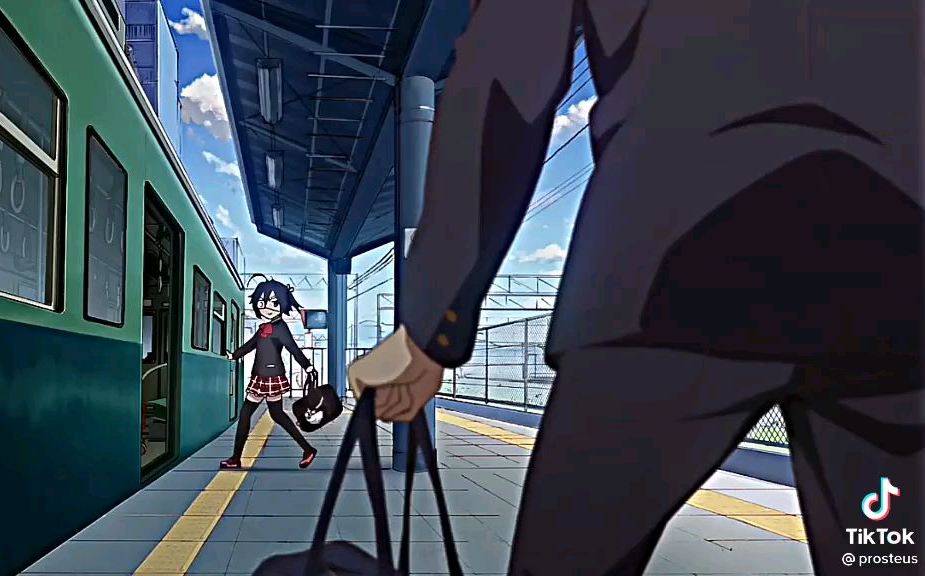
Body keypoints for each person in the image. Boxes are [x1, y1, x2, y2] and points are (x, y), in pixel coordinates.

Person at [347, 1, 924, 575]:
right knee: (887, 550)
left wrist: (430, 329)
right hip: (896, 282)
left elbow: (505, 81)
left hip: (669, 274)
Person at [221, 278, 318, 470]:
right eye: (262, 302)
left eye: (274, 303)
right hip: (261, 376)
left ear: (282, 304)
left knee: (252, 414)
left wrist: (307, 367)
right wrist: (234, 355)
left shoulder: (281, 328)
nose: (266, 307)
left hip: (272, 377)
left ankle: (236, 458)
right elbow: (250, 345)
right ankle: (307, 449)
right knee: (274, 414)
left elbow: (293, 349)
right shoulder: (263, 328)